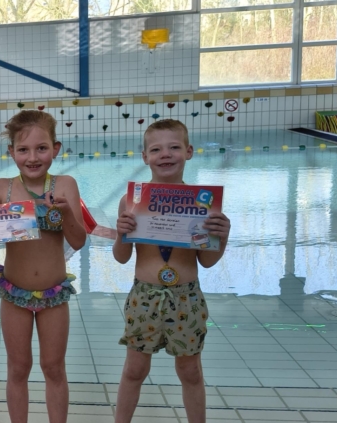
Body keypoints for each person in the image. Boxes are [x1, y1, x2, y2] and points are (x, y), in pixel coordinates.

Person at [112, 119, 230, 423]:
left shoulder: (204, 203)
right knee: (134, 370)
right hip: (144, 297)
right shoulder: (131, 201)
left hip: (186, 297)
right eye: (156, 149)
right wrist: (121, 233)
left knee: (190, 372)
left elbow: (207, 261)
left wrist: (222, 235)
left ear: (188, 151)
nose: (165, 154)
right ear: (145, 157)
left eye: (174, 147)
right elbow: (122, 258)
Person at [0, 110, 86, 423]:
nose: (32, 157)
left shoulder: (65, 185)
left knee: (53, 367)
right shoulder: (2, 188)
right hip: (15, 294)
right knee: (18, 368)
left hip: (54, 295)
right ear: (11, 152)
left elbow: (78, 240)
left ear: (56, 148)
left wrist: (67, 214)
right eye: (23, 149)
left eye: (41, 148)